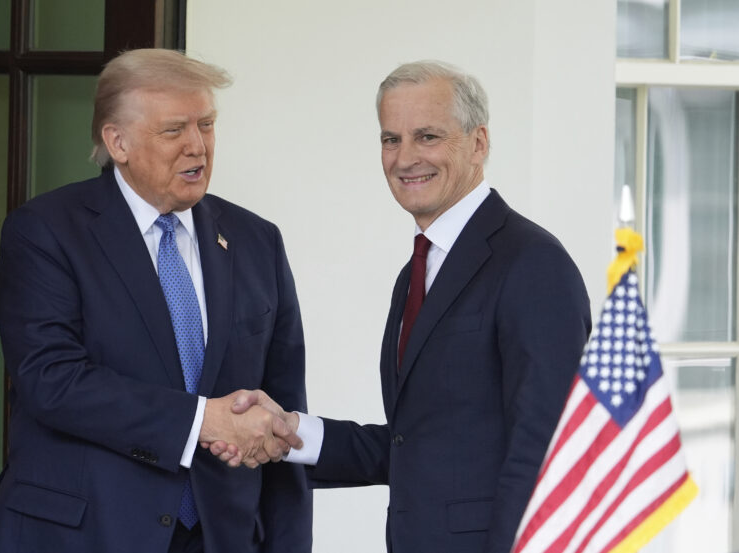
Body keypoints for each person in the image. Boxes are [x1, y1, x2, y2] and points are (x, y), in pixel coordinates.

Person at [212, 61, 592, 552]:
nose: (405, 158)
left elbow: (548, 453)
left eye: (427, 137)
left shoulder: (533, 263)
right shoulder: (418, 269)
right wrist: (290, 430)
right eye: (391, 140)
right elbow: (412, 443)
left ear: (479, 143)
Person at [0, 49, 312, 553]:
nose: (197, 146)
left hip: (223, 536)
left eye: (207, 124)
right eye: (174, 130)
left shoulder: (256, 240)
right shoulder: (46, 231)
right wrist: (202, 421)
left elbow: (284, 413)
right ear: (118, 142)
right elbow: (52, 381)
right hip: (85, 534)